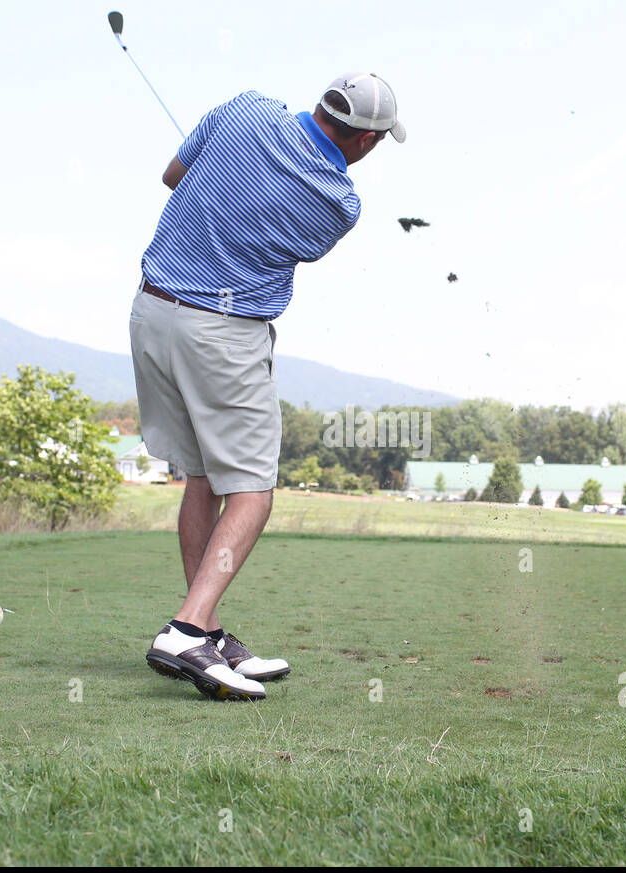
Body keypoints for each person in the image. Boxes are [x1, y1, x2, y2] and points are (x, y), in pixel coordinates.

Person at [130, 73, 405, 701]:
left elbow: (174, 177)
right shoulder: (339, 202)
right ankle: (188, 629)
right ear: (364, 142)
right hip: (223, 335)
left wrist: (226, 171)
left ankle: (212, 629)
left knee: (202, 478)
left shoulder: (245, 107)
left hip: (151, 313)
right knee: (252, 492)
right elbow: (290, 245)